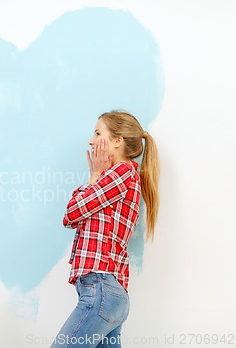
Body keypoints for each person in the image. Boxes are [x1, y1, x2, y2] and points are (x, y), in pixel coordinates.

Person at [51, 110, 160, 348]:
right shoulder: (121, 177)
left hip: (101, 289)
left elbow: (71, 212)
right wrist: (97, 177)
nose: (91, 141)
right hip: (111, 295)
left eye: (98, 133)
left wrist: (95, 176)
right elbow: (72, 220)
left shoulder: (120, 172)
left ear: (118, 141)